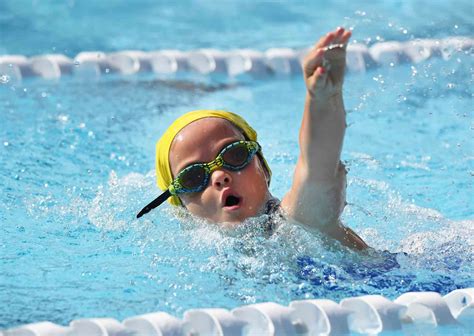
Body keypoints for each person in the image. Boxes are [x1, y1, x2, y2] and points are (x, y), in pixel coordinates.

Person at [137, 27, 368, 250]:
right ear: (183, 209)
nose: (219, 177)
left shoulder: (297, 222)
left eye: (234, 155)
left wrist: (323, 98)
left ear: (264, 168)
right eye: (193, 177)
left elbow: (318, 170)